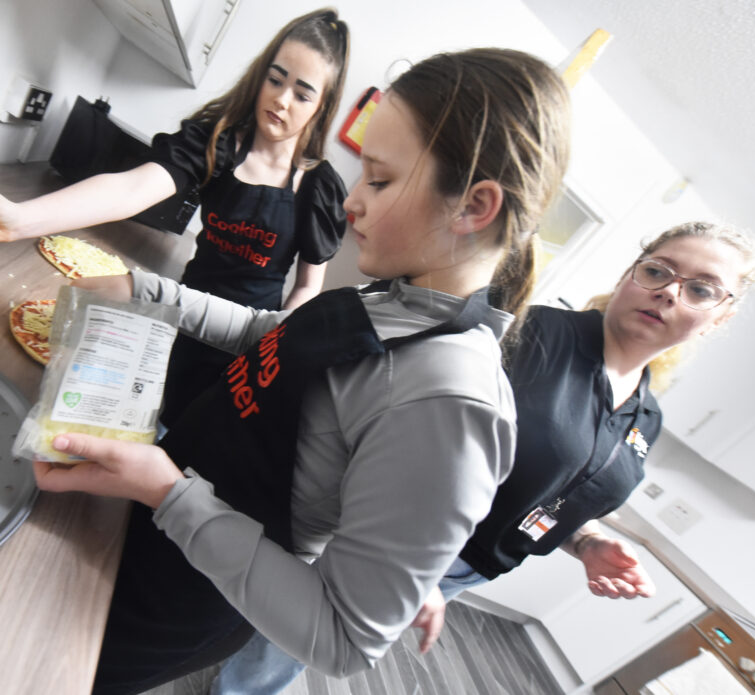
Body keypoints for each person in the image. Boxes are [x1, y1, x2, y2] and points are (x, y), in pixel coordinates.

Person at [33, 47, 572, 695]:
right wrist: (146, 291)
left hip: (183, 593)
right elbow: (269, 337)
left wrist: (168, 492)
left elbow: (344, 638)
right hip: (157, 519)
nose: (352, 202)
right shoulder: (394, 300)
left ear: (474, 206)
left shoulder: (451, 402)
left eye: (379, 180)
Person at [211, 220, 755, 695]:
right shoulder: (534, 332)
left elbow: (555, 490)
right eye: (658, 271)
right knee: (298, 632)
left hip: (467, 570)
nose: (669, 292)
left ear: (719, 317)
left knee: (308, 642)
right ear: (630, 273)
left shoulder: (647, 418)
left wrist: (586, 541)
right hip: (396, 536)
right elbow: (415, 424)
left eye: (701, 289)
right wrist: (412, 563)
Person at [0, 8, 350, 429]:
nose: (281, 99)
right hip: (178, 319)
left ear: (322, 106)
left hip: (243, 348)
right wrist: (20, 218)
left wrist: (271, 346)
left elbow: (308, 286)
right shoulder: (217, 142)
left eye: (302, 94)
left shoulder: (319, 187)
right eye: (276, 80)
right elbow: (132, 189)